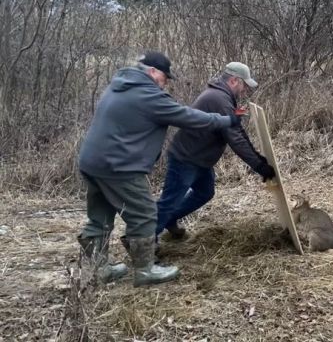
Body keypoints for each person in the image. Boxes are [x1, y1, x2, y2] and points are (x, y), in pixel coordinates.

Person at [77, 51, 241, 287]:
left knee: (99, 218)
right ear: (153, 72)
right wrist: (227, 120)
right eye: (166, 77)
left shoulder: (118, 85)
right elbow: (187, 116)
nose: (166, 83)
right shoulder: (148, 95)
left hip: (92, 162)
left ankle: (98, 269)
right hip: (119, 166)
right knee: (144, 214)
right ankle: (145, 270)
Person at [155, 62, 276, 241]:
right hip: (186, 158)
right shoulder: (219, 99)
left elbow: (237, 132)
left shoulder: (222, 97)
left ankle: (169, 219)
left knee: (205, 192)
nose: (244, 91)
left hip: (200, 159)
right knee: (169, 201)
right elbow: (234, 139)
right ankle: (143, 241)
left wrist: (259, 160)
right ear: (234, 81)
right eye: (244, 85)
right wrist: (259, 166)